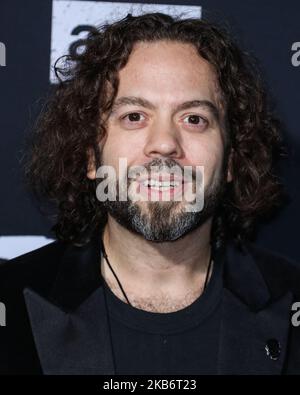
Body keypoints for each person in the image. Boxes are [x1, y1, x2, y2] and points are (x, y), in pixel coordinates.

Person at [0, 12, 300, 375]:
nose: (164, 144)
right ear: (91, 155)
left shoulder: (290, 299)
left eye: (194, 119)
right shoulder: (11, 301)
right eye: (134, 116)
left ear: (232, 160)